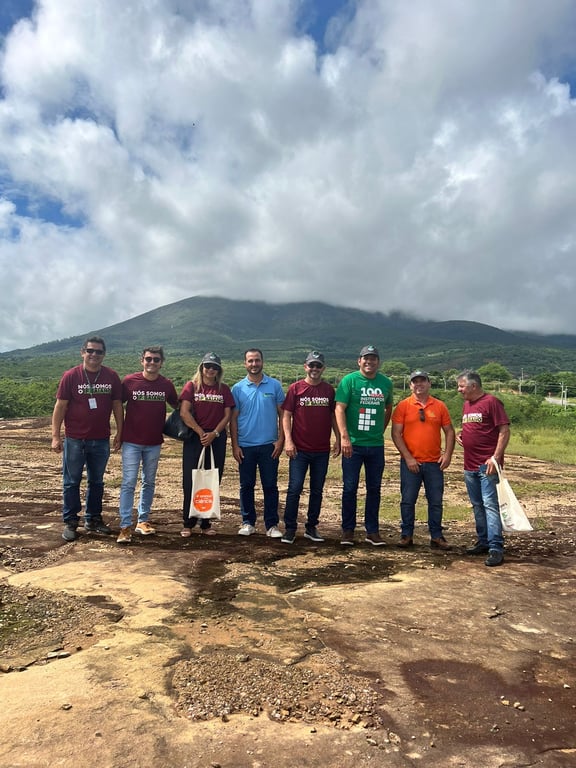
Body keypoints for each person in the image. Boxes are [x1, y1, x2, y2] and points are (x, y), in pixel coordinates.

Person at [51, 336, 123, 542]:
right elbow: (60, 406)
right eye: (90, 351)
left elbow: (117, 405)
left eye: (99, 351)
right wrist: (55, 436)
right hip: (75, 439)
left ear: (104, 354)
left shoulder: (111, 376)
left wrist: (120, 432)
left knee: (97, 481)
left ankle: (93, 519)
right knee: (71, 482)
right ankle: (71, 522)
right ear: (82, 352)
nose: (94, 355)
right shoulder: (71, 376)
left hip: (100, 438)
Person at [116, 347, 178, 544]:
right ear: (141, 361)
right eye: (148, 359)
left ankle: (143, 521)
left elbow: (178, 406)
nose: (152, 363)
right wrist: (118, 431)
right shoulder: (129, 381)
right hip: (131, 441)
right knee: (129, 482)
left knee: (149, 482)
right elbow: (117, 404)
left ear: (161, 362)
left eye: (156, 359)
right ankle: (125, 526)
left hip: (153, 442)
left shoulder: (166, 384)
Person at [335, 345, 393, 546]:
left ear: (378, 362)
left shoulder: (385, 383)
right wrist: (344, 437)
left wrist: (380, 429)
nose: (369, 362)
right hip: (353, 445)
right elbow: (339, 409)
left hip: (375, 445)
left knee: (374, 488)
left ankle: (372, 531)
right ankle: (348, 530)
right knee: (350, 487)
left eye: (373, 358)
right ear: (359, 361)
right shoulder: (349, 380)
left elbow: (388, 407)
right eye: (366, 358)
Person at [391, 371, 456, 550]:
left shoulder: (440, 405)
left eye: (422, 381)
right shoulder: (403, 406)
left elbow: (449, 431)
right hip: (411, 463)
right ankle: (406, 535)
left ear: (429, 383)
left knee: (435, 501)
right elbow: (396, 433)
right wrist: (408, 457)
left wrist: (447, 454)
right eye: (415, 382)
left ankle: (436, 536)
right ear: (410, 385)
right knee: (407, 500)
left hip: (434, 463)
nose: (419, 384)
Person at [281, 351, 340, 544]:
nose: (315, 369)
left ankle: (311, 527)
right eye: (311, 365)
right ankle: (290, 529)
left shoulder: (328, 390)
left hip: (321, 450)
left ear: (323, 368)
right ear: (305, 367)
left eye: (318, 365)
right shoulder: (295, 388)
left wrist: (338, 438)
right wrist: (288, 440)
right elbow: (286, 415)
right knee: (294, 488)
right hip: (299, 449)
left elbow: (333, 416)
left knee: (317, 490)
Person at [457, 370, 511, 567]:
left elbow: (504, 430)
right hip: (469, 464)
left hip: (487, 465)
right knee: (477, 504)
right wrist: (462, 435)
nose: (459, 390)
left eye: (462, 386)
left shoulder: (492, 402)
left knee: (490, 505)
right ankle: (483, 541)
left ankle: (496, 547)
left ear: (473, 386)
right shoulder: (466, 405)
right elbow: (475, 427)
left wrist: (495, 458)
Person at [230, 348, 285, 537]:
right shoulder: (237, 388)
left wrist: (281, 440)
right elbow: (233, 419)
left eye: (257, 360)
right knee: (246, 485)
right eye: (250, 361)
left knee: (270, 486)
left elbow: (283, 415)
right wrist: (235, 445)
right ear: (245, 363)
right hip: (245, 446)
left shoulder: (275, 386)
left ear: (262, 362)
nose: (254, 364)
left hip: (270, 445)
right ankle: (248, 523)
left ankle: (272, 525)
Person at [179, 352, 235, 536]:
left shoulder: (223, 389)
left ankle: (205, 522)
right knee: (191, 480)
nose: (211, 370)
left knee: (211, 479)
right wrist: (200, 432)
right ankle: (188, 523)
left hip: (216, 438)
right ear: (201, 367)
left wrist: (215, 433)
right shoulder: (192, 386)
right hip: (195, 438)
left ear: (219, 370)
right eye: (208, 366)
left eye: (215, 367)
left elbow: (227, 415)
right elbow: (184, 412)